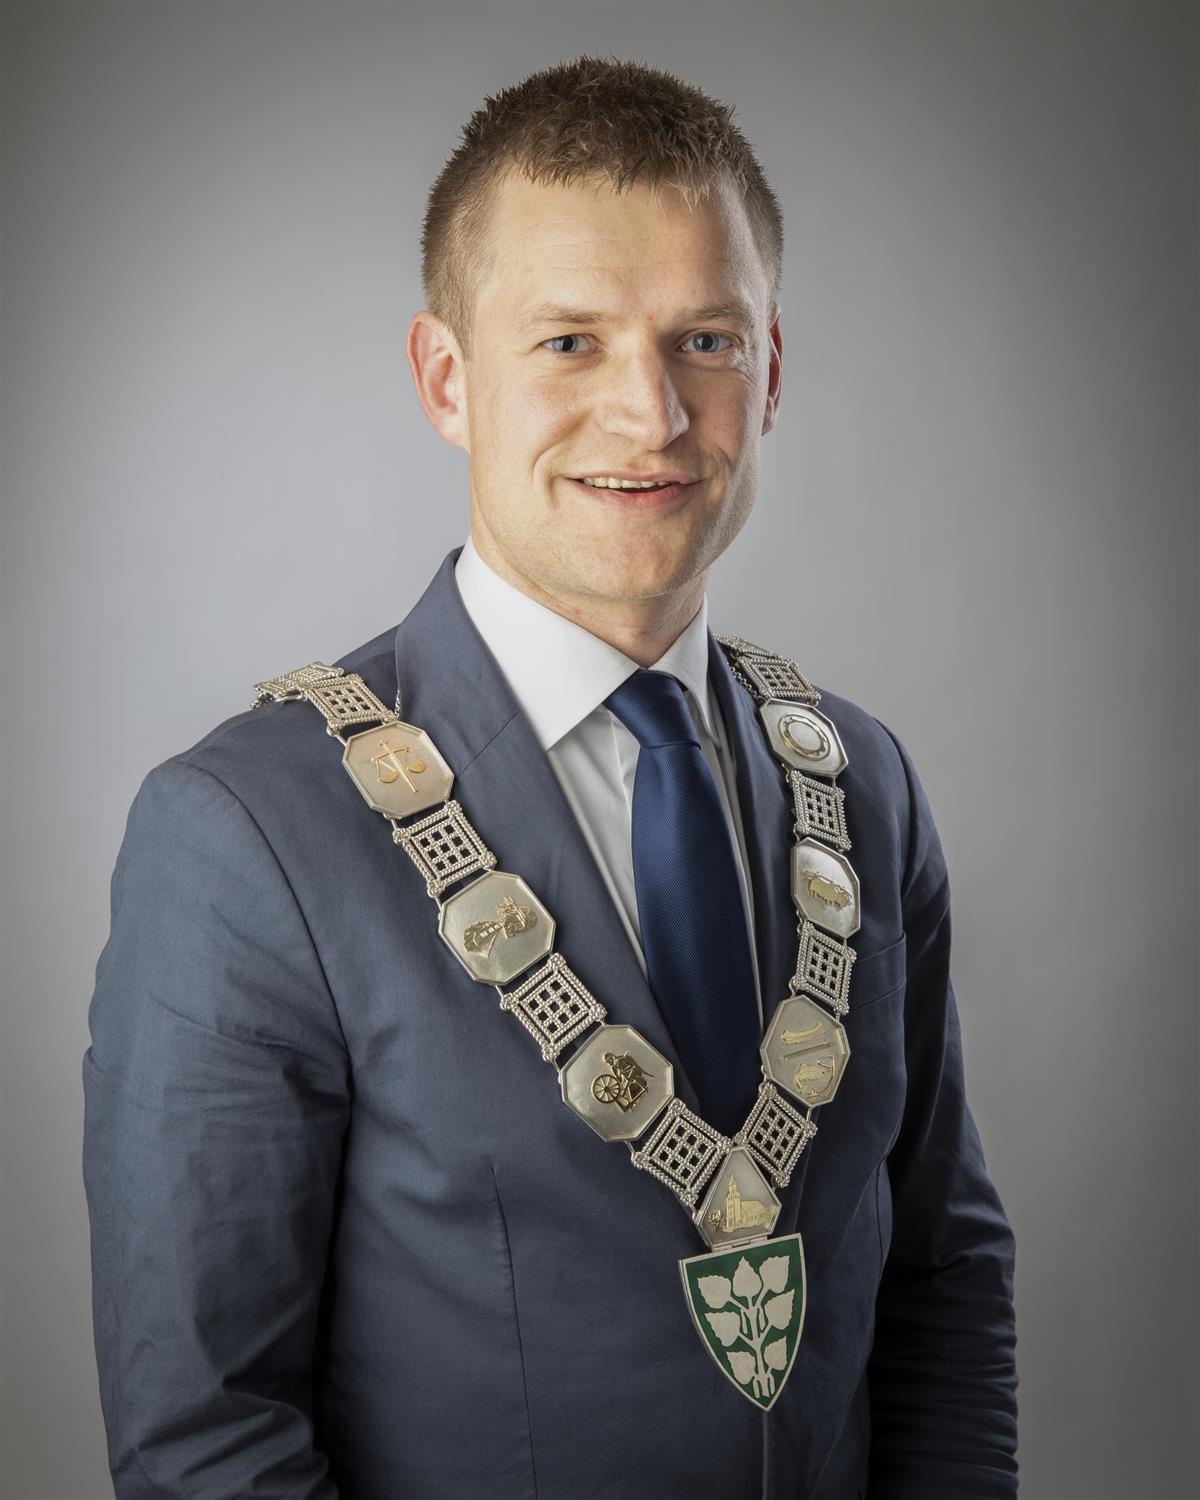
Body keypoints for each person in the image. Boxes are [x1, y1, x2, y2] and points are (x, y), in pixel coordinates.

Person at [82, 53, 1018, 1500]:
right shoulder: (247, 833)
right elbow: (209, 1439)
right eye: (570, 341)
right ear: (447, 380)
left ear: (771, 372)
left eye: (705, 339)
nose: (651, 413)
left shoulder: (864, 785)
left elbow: (942, 1281)